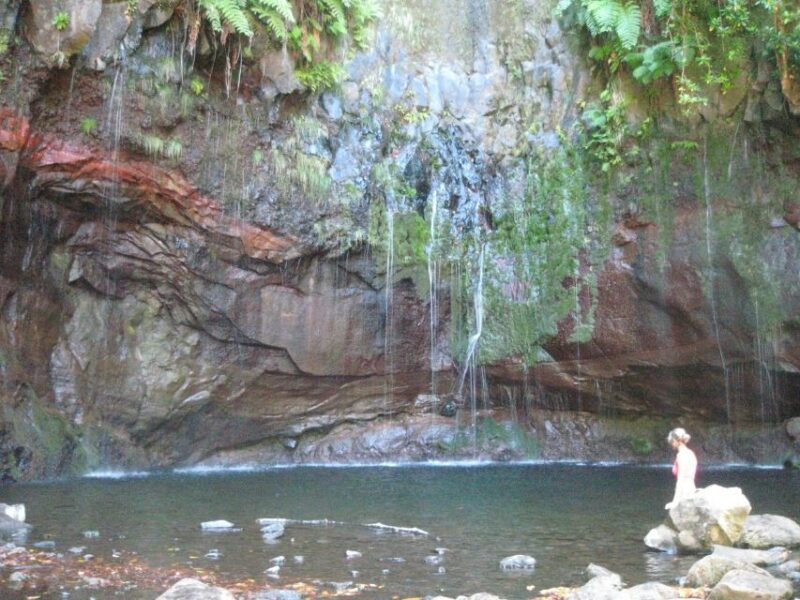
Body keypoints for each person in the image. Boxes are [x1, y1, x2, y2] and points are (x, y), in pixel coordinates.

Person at [665, 427, 697, 509]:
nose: (671, 443)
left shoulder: (681, 455)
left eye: (672, 441)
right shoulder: (691, 453)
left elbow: (681, 479)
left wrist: (675, 501)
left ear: (678, 440)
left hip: (684, 493)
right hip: (692, 490)